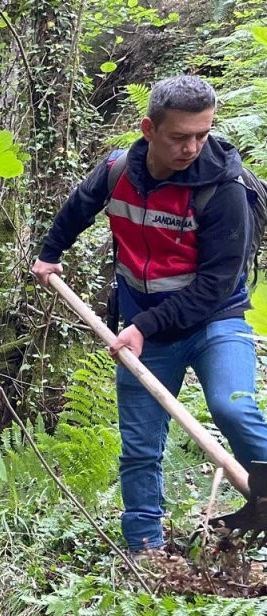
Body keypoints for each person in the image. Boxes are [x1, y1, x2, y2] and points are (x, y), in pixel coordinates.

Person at [31, 75, 267, 553]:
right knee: (140, 448)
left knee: (232, 406)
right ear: (149, 129)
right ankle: (145, 551)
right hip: (147, 329)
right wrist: (50, 252)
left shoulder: (223, 188)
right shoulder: (117, 169)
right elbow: (81, 205)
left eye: (202, 134)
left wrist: (141, 326)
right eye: (180, 136)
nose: (192, 148)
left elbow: (215, 286)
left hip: (213, 321)